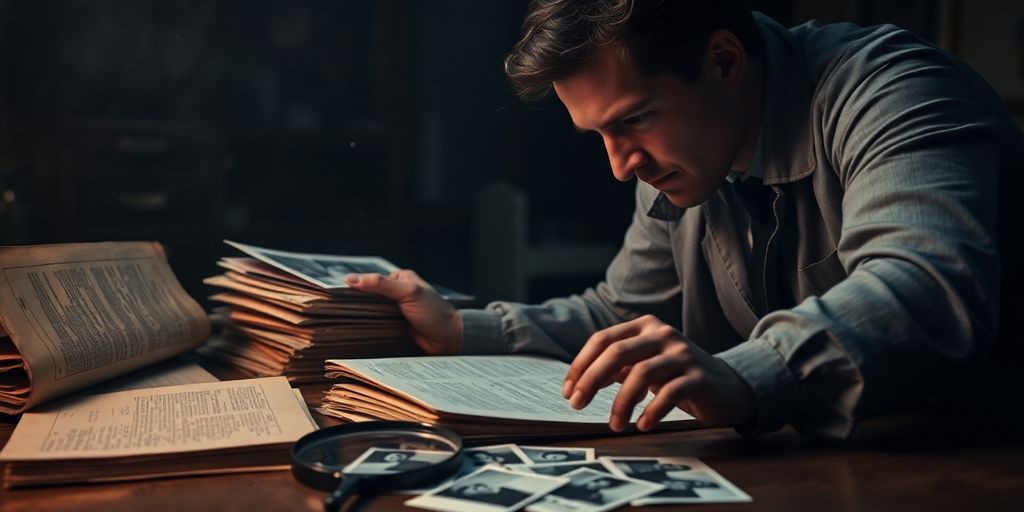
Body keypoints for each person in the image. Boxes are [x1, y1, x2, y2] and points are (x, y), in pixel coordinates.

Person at [345, 0, 1024, 439]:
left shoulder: (894, 91)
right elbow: (624, 314)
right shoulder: (686, 153)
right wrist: (461, 330)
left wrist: (748, 375)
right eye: (599, 135)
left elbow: (925, 283)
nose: (620, 167)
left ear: (723, 61)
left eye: (634, 120)